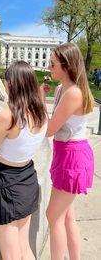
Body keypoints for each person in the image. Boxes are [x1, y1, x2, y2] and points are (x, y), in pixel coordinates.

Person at [0, 61, 48, 260]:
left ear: (11, 85)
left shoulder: (8, 116)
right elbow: (18, 141)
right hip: (28, 180)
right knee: (25, 248)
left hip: (6, 187)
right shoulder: (41, 112)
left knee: (11, 255)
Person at [40, 42, 94, 260]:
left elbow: (49, 129)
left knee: (53, 217)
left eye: (52, 64)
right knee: (66, 216)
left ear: (66, 65)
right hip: (66, 153)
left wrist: (41, 100)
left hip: (73, 156)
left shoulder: (73, 93)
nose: (49, 67)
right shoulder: (63, 89)